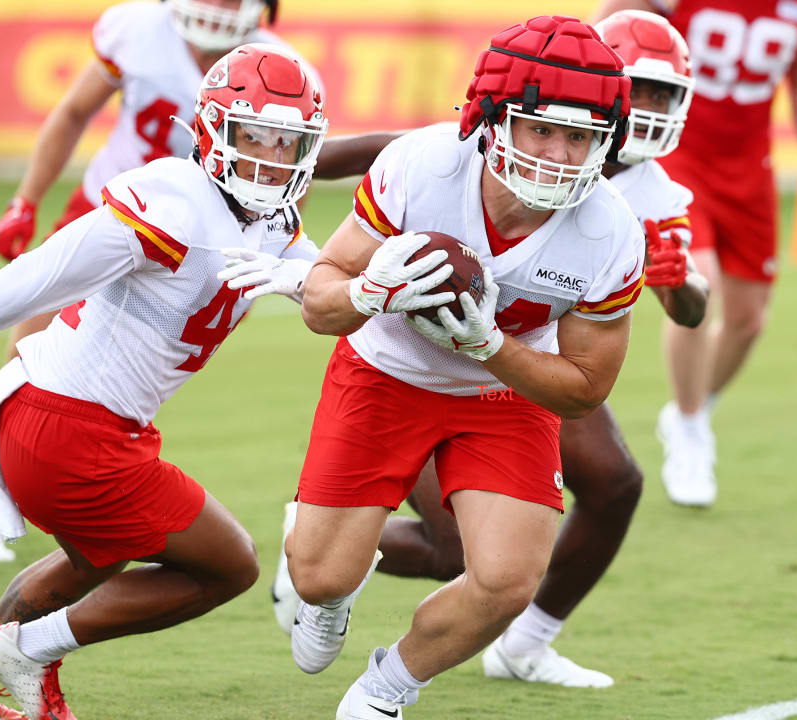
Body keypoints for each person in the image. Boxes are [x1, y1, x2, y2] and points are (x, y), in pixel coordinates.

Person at [0, 44, 326, 720]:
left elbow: (336, 289)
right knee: (231, 565)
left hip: (86, 422)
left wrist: (382, 279)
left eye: (289, 142)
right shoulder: (176, 201)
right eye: (255, 135)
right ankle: (27, 651)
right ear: (215, 130)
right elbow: (40, 274)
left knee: (91, 560)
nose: (271, 156)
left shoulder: (275, 225)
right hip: (65, 422)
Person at [270, 9, 708, 691]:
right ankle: (325, 575)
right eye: (540, 129)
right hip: (386, 369)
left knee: (506, 578)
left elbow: (587, 386)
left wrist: (491, 346)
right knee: (322, 574)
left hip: (504, 389)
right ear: (494, 117)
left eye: (578, 136)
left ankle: (386, 690)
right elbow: (322, 305)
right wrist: (369, 292)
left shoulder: (616, 226)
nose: (557, 156)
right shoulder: (426, 163)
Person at [0, 0, 307, 564]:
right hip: (109, 210)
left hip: (193, 244)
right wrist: (26, 199)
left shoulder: (282, 70)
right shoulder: (140, 28)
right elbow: (72, 111)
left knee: (127, 371)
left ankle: (93, 494)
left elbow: (286, 189)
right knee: (30, 345)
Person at [593, 0, 797, 507]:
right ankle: (689, 431)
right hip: (677, 150)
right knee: (693, 273)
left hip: (750, 164)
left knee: (749, 320)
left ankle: (694, 408)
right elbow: (603, 39)